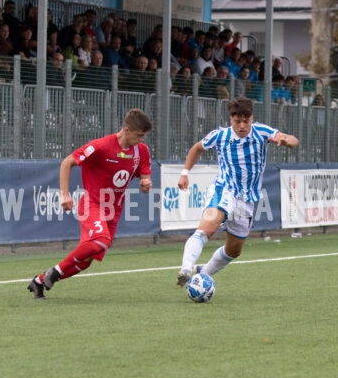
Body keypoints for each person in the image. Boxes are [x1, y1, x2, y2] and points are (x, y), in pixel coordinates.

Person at [27, 108, 154, 299]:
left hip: (114, 209)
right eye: (139, 135)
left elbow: (145, 181)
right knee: (101, 241)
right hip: (92, 204)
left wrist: (146, 184)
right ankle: (55, 271)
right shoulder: (101, 146)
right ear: (127, 130)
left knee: (87, 260)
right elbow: (67, 162)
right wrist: (65, 194)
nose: (142, 140)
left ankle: (39, 281)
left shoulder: (141, 151)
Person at [175, 97, 299, 286]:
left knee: (234, 250)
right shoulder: (220, 135)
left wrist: (285, 139)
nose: (242, 125)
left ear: (252, 118)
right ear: (231, 119)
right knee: (208, 227)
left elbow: (294, 140)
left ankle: (202, 274)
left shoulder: (262, 132)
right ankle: (185, 268)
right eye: (237, 121)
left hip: (247, 199)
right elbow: (196, 148)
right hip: (224, 189)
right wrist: (185, 173)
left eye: (246, 121)